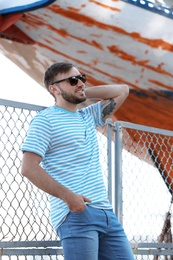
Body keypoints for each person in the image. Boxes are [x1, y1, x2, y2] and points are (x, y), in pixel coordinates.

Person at [21, 61, 134, 260]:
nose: (80, 83)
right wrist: (69, 198)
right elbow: (29, 168)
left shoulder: (88, 115)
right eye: (73, 80)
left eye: (81, 78)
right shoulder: (45, 120)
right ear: (54, 88)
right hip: (76, 214)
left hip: (106, 213)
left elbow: (122, 90)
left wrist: (81, 91)